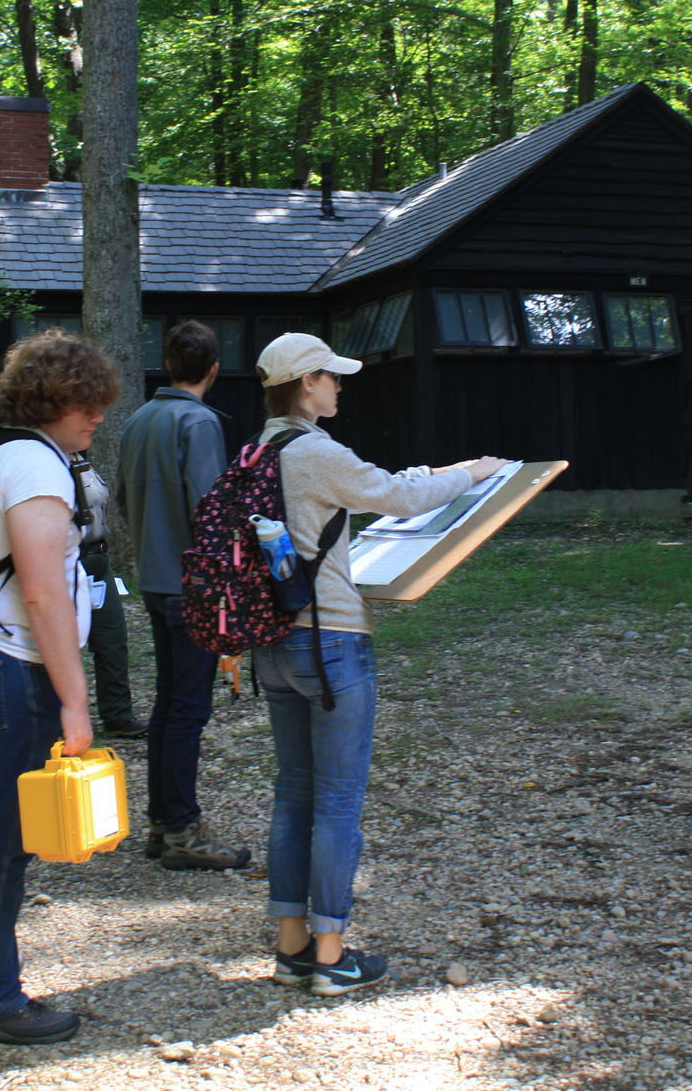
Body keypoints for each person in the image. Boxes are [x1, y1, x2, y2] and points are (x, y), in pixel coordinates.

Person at [251, 332, 505, 995]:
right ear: (307, 382)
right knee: (337, 805)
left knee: (292, 798)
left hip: (273, 644)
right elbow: (398, 497)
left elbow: (384, 485)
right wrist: (471, 473)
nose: (340, 385)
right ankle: (333, 958)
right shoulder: (315, 451)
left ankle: (292, 948)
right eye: (332, 376)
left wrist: (427, 474)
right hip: (330, 642)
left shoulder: (256, 449)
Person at [0, 330, 116, 1045]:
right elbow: (43, 595)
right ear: (51, 398)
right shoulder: (36, 468)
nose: (97, 415)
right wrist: (75, 700)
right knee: (3, 840)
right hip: (8, 668)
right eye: (86, 402)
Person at [115, 320, 251, 871]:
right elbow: (212, 514)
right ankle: (181, 831)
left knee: (170, 706)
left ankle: (162, 823)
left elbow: (122, 499)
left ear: (167, 364)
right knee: (188, 710)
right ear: (213, 370)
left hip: (154, 577)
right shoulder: (198, 422)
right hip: (192, 586)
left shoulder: (137, 421)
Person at [73, 452, 145, 739]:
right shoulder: (44, 458)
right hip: (68, 564)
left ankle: (117, 715)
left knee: (112, 640)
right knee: (63, 645)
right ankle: (57, 719)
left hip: (99, 563)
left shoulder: (81, 457)